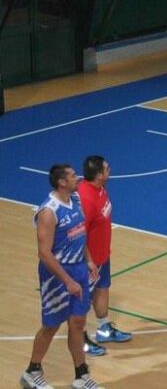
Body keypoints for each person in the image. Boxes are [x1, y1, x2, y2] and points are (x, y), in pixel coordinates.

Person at [21, 164, 103, 389]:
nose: (77, 177)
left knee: (78, 323)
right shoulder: (49, 211)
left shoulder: (75, 199)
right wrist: (67, 280)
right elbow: (44, 253)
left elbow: (79, 233)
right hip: (56, 274)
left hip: (78, 268)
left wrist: (88, 259)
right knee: (52, 325)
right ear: (61, 182)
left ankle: (81, 375)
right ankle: (32, 370)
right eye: (72, 175)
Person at [78, 156, 131, 358]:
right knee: (82, 301)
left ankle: (104, 328)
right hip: (88, 260)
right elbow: (78, 235)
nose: (110, 170)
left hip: (102, 255)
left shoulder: (100, 189)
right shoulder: (86, 199)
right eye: (107, 168)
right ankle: (80, 340)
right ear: (99, 175)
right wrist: (89, 260)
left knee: (103, 288)